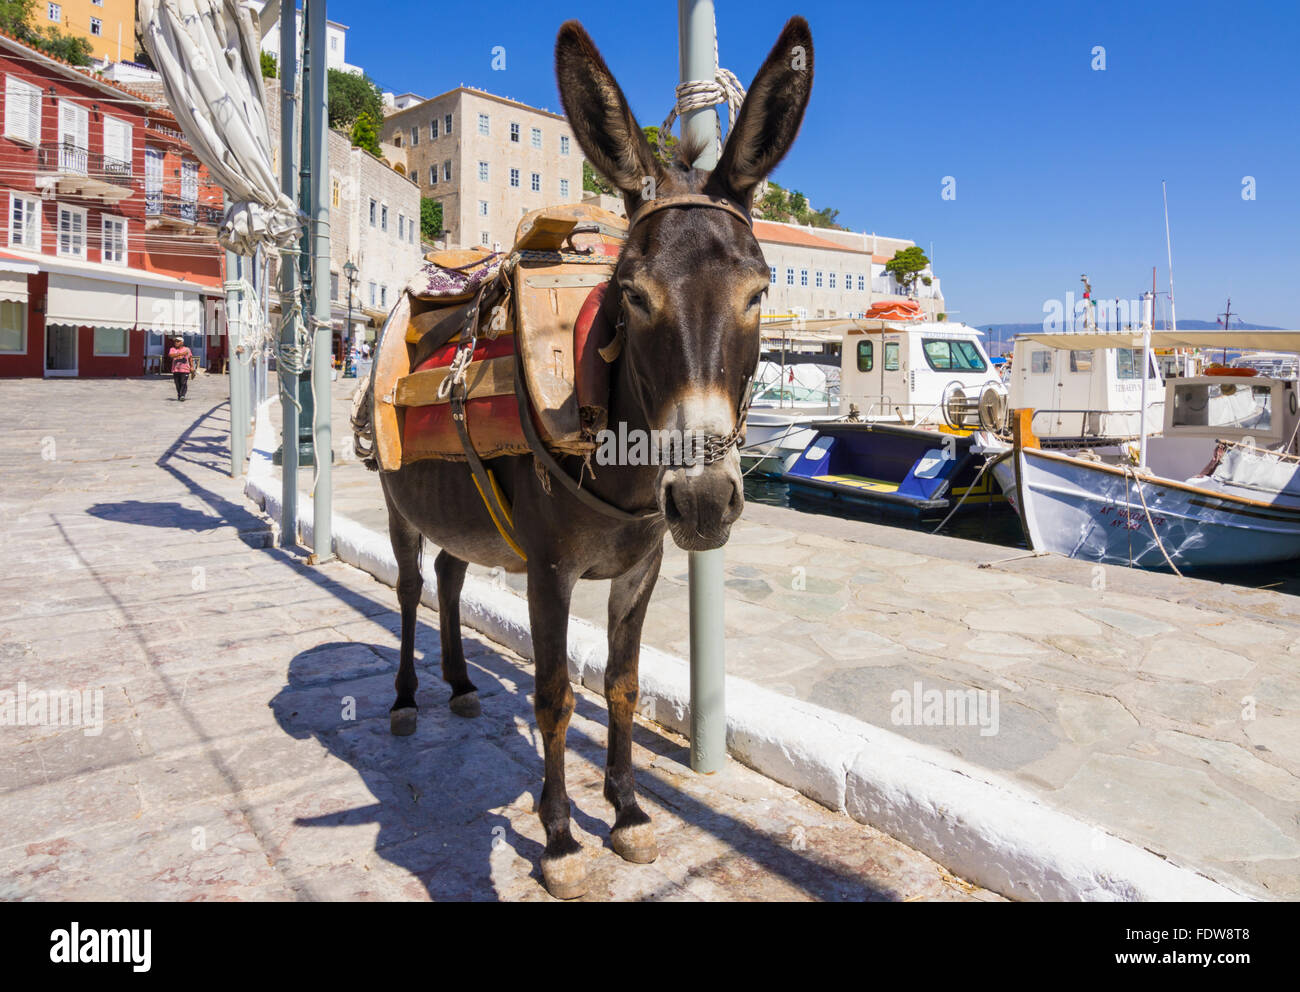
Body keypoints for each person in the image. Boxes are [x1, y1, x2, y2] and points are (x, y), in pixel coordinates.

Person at [168, 336, 193, 401]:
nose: (176, 343)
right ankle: (179, 394)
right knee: (177, 384)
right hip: (176, 369)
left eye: (178, 341)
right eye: (175, 341)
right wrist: (181, 354)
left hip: (185, 369)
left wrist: (192, 367)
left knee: (183, 382)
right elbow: (171, 355)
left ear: (182, 342)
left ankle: (182, 395)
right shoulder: (172, 349)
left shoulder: (187, 349)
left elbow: (190, 358)